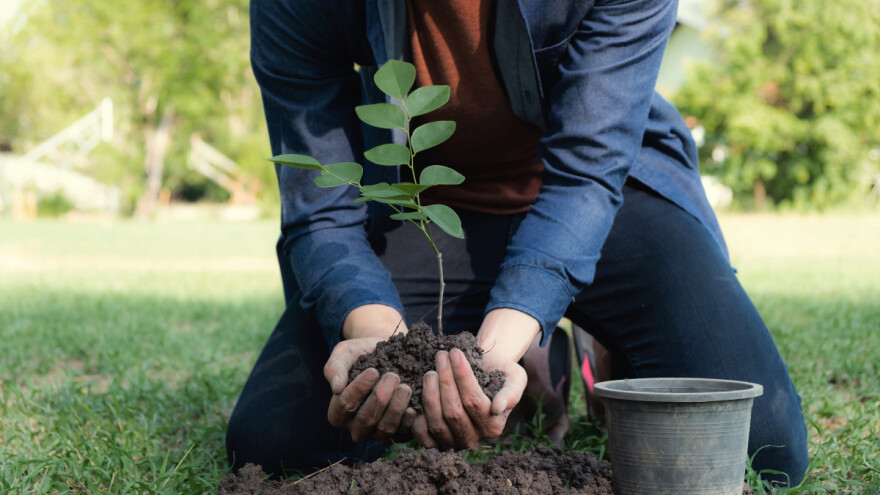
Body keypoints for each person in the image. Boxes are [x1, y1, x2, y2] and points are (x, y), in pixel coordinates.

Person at [226, 0, 810, 486]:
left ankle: (579, 337)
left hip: (605, 196)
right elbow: (320, 205)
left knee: (762, 443)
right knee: (277, 443)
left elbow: (587, 174)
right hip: (429, 206)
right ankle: (539, 351)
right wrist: (375, 336)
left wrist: (495, 349)